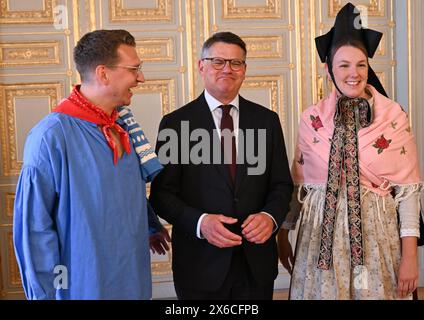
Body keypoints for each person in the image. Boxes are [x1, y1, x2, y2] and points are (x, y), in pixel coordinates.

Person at [278, 2, 422, 300]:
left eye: (360, 65)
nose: (353, 73)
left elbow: (408, 192)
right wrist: (283, 234)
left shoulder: (393, 117)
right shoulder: (312, 119)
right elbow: (298, 185)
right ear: (330, 70)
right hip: (319, 239)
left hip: (376, 238)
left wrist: (410, 258)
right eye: (343, 65)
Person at [13, 29, 170, 300]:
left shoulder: (121, 126)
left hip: (131, 275)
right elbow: (34, 227)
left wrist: (148, 225)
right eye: (134, 69)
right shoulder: (51, 136)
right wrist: (44, 295)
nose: (141, 78)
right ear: (103, 73)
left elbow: (120, 186)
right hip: (82, 283)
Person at [150, 31, 293, 300]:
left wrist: (270, 217)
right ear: (201, 66)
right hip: (199, 265)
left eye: (235, 63)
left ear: (244, 70)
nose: (227, 69)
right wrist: (201, 222)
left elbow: (281, 184)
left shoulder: (267, 120)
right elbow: (161, 195)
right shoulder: (176, 125)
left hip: (256, 265)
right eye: (218, 61)